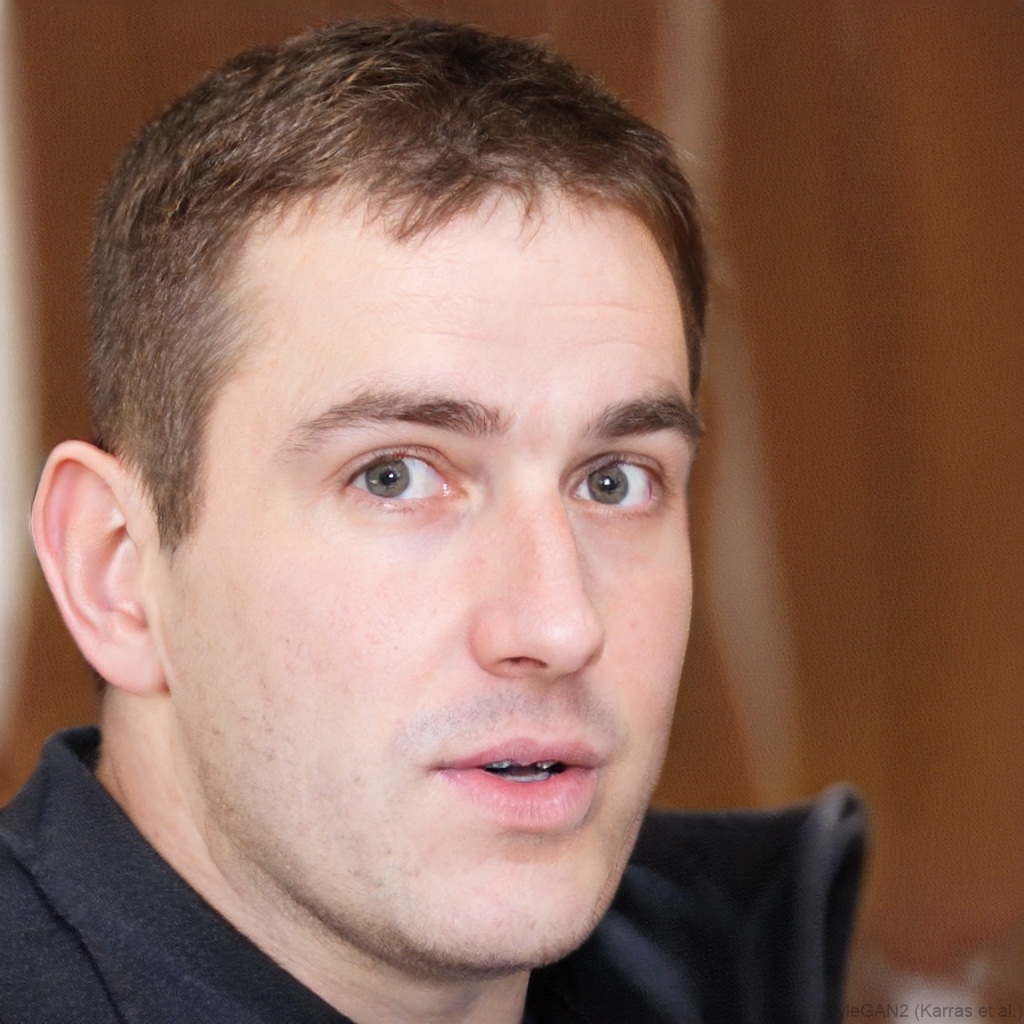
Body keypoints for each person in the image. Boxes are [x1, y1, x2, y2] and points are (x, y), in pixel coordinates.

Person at [0, 18, 864, 1024]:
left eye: (613, 482)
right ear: (116, 572)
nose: (559, 625)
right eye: (396, 476)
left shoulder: (769, 956)